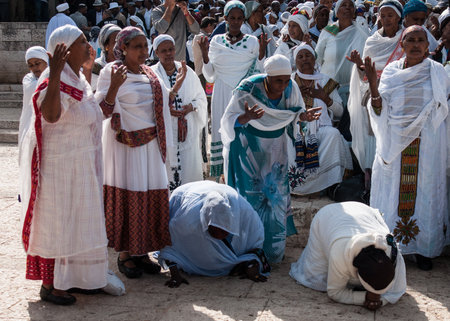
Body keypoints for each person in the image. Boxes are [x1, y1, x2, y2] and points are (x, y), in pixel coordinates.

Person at [20, 25, 124, 306]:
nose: (88, 46)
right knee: (59, 223)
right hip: (59, 170)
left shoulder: (80, 80)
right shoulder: (51, 81)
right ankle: (51, 285)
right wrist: (54, 74)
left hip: (82, 167)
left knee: (81, 222)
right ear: (63, 51)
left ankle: (81, 278)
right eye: (81, 42)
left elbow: (95, 114)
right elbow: (51, 115)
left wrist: (112, 89)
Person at [95, 26, 185, 279]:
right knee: (130, 194)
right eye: (138, 47)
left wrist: (174, 89)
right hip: (125, 148)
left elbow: (159, 103)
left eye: (146, 46)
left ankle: (143, 252)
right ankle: (125, 254)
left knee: (149, 193)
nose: (144, 52)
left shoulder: (149, 74)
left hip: (151, 145)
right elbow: (101, 109)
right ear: (123, 48)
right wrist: (113, 87)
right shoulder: (110, 72)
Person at [220, 54, 321, 263]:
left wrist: (304, 117)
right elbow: (227, 120)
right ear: (267, 77)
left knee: (275, 198)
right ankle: (248, 249)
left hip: (276, 149)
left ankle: (272, 251)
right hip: (247, 149)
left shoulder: (291, 87)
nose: (283, 86)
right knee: (251, 196)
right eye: (278, 81)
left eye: (285, 80)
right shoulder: (247, 88)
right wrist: (246, 117)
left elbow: (296, 114)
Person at [366, 25, 450, 271]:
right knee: (392, 191)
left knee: (426, 190)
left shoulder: (439, 72)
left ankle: (424, 249)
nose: (415, 44)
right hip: (394, 144)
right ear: (401, 45)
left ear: (428, 45)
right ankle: (390, 246)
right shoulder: (391, 72)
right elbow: (379, 109)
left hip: (428, 144)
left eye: (420, 40)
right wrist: (373, 84)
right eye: (410, 40)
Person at [290, 202, 406, 310]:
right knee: (317, 279)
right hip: (327, 217)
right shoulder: (338, 254)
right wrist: (365, 297)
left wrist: (380, 300)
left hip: (363, 212)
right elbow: (334, 292)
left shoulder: (391, 251)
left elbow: (398, 290)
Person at [199, 0, 269, 178]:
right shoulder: (216, 41)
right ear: (225, 18)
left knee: (243, 131)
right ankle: (224, 174)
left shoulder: (252, 41)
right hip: (221, 91)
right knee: (222, 131)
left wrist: (261, 55)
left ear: (244, 19)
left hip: (243, 93)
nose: (236, 22)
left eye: (239, 18)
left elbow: (259, 72)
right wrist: (205, 56)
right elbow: (210, 76)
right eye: (232, 18)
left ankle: (244, 174)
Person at [158, 181, 271, 287]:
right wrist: (175, 274)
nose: (219, 234)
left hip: (217, 192)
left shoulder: (245, 213)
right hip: (184, 196)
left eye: (224, 230)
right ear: (206, 224)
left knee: (236, 252)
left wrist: (254, 262)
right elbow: (169, 242)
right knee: (189, 245)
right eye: (214, 230)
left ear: (231, 223)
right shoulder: (185, 222)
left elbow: (256, 237)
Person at [347, 0, 404, 194]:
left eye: (391, 15)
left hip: (399, 100)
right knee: (374, 141)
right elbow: (365, 75)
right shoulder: (372, 42)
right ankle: (371, 183)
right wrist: (359, 65)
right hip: (373, 97)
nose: (387, 19)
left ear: (398, 17)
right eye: (383, 15)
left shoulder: (408, 39)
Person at [289, 43, 352, 194]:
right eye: (300, 56)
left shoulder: (325, 81)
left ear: (315, 59)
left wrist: (324, 97)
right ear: (295, 61)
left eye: (308, 55)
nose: (305, 59)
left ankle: (327, 184)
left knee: (334, 135)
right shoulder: (289, 82)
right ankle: (295, 186)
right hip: (295, 130)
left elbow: (338, 112)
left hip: (321, 130)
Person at [151, 35, 207, 190]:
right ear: (156, 53)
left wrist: (191, 107)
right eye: (164, 51)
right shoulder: (152, 75)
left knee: (189, 175)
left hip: (187, 133)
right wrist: (165, 109)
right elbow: (149, 103)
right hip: (165, 134)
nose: (168, 53)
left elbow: (201, 99)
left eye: (171, 49)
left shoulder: (187, 71)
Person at [315, 0, 368, 141]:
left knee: (350, 129)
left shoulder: (361, 33)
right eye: (344, 5)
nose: (348, 8)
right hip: (328, 87)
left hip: (353, 89)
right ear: (337, 12)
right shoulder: (328, 31)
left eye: (351, 6)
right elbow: (318, 58)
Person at [19, 46, 48, 152]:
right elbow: (36, 89)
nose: (35, 68)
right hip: (30, 125)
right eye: (31, 65)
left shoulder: (54, 75)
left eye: (37, 63)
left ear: (45, 61)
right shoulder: (28, 79)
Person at [91, 24, 122, 91]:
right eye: (116, 42)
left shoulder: (127, 65)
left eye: (122, 41)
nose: (120, 46)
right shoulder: (96, 68)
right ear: (106, 46)